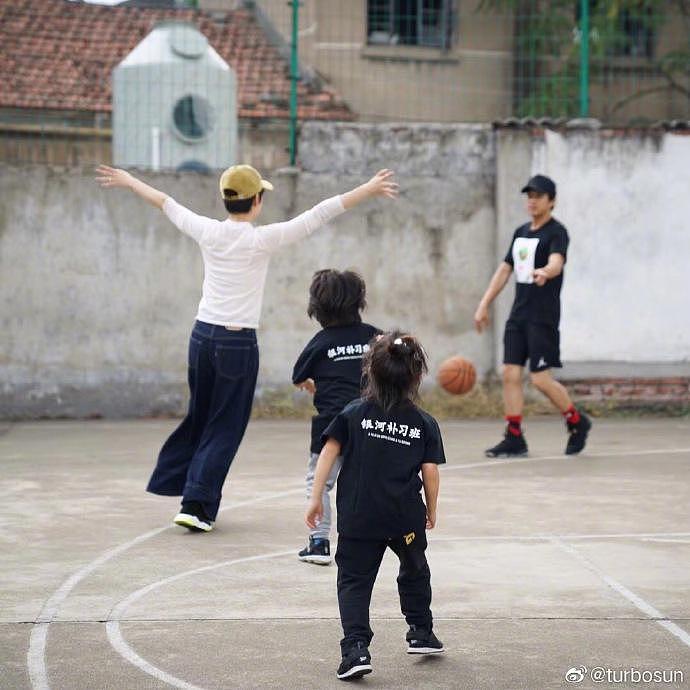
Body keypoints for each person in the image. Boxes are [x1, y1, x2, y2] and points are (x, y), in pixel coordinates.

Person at [96, 163, 398, 531]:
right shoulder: (261, 239)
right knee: (226, 425)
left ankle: (180, 486)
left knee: (202, 416)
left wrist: (129, 181)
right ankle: (198, 505)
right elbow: (318, 214)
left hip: (201, 339)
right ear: (256, 201)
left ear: (226, 200)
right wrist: (367, 188)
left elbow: (163, 201)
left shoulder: (207, 230)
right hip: (236, 344)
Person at [306, 331, 445, 681]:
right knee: (415, 568)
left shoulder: (353, 413)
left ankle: (355, 649)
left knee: (354, 581)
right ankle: (421, 631)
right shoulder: (424, 423)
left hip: (359, 517)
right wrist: (431, 508)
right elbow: (430, 472)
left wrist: (315, 497)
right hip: (405, 519)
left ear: (369, 370)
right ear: (417, 377)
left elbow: (329, 452)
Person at [474, 174, 591, 458]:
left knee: (540, 379)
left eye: (538, 196)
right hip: (519, 315)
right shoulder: (521, 232)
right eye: (529, 195)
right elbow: (505, 270)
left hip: (543, 317)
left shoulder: (556, 232)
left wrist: (545, 272)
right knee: (510, 374)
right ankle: (514, 437)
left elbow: (557, 262)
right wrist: (484, 303)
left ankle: (577, 421)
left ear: (552, 201)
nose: (532, 200)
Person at [292, 269, 380, 565]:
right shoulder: (375, 337)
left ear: (316, 309)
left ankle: (318, 542)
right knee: (369, 483)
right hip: (373, 423)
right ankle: (372, 539)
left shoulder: (320, 342)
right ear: (360, 302)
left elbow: (298, 376)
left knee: (318, 484)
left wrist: (312, 383)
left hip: (331, 426)